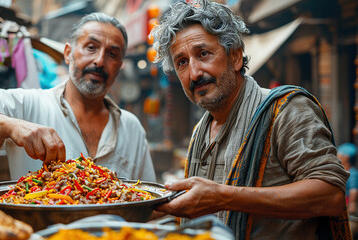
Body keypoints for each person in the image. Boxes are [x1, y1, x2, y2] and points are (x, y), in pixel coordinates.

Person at [150, 0, 350, 239]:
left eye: (203, 54)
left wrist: (223, 197)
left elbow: (330, 196)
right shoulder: (200, 132)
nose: (194, 73)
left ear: (235, 57)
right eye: (182, 62)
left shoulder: (286, 110)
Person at [0, 13, 156, 182]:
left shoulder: (132, 127)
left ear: (120, 65)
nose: (99, 61)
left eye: (112, 54)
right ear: (68, 53)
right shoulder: (28, 105)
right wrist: (12, 127)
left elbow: (147, 203)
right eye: (91, 47)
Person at [338, 143, 358, 237]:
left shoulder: (352, 172)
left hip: (349, 211)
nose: (337, 156)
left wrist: (352, 204)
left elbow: (354, 190)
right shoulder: (343, 171)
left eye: (339, 155)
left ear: (346, 158)